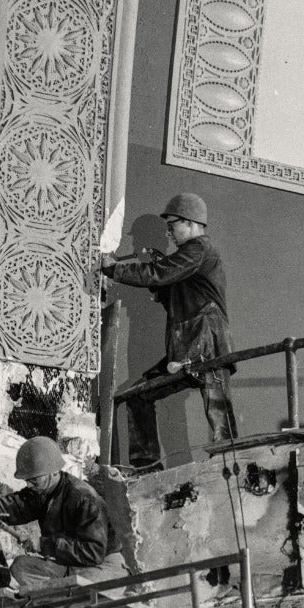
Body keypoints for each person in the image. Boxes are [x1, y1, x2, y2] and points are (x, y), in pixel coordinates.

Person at [101, 191, 237, 468]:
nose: (170, 232)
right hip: (185, 347)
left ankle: (232, 465)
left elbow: (159, 274)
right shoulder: (190, 258)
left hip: (206, 343)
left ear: (189, 222)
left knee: (219, 415)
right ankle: (147, 467)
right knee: (138, 396)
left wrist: (114, 269)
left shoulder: (199, 248)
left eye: (172, 225)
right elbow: (163, 283)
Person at [0, 436, 127, 590]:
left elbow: (94, 552)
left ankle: (66, 596)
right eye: (27, 480)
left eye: (34, 479)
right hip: (69, 564)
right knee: (21, 567)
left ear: (54, 472)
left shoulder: (84, 498)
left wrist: (44, 545)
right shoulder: (40, 492)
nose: (29, 485)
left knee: (80, 586)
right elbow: (6, 506)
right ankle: (62, 595)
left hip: (102, 565)